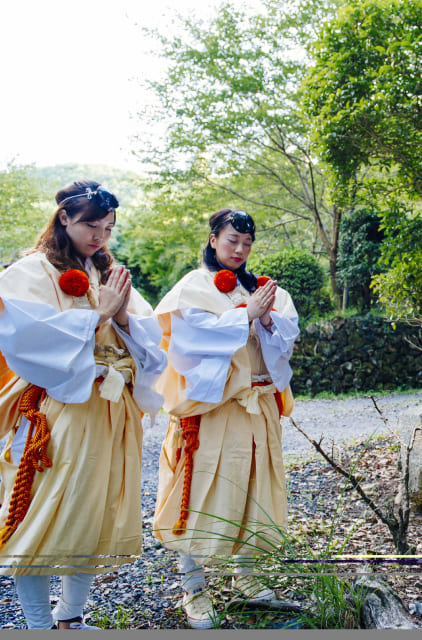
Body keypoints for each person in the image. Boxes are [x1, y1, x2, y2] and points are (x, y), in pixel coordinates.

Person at [0, 180, 167, 629]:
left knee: (92, 510)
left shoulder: (105, 273)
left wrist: (119, 316)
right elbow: (17, 332)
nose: (99, 236)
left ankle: (70, 618)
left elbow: (151, 337)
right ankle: (39, 625)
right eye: (90, 225)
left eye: (108, 228)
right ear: (63, 219)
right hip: (57, 412)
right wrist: (97, 315)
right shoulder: (32, 271)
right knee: (37, 515)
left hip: (109, 410)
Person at [152, 209, 298, 629]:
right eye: (232, 240)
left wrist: (267, 317)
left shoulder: (267, 289)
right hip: (213, 407)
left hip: (258, 402)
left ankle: (246, 576)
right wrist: (245, 315)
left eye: (247, 243)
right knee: (197, 488)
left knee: (254, 486)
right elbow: (189, 340)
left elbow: (287, 338)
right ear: (214, 239)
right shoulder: (193, 286)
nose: (239, 249)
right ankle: (193, 586)